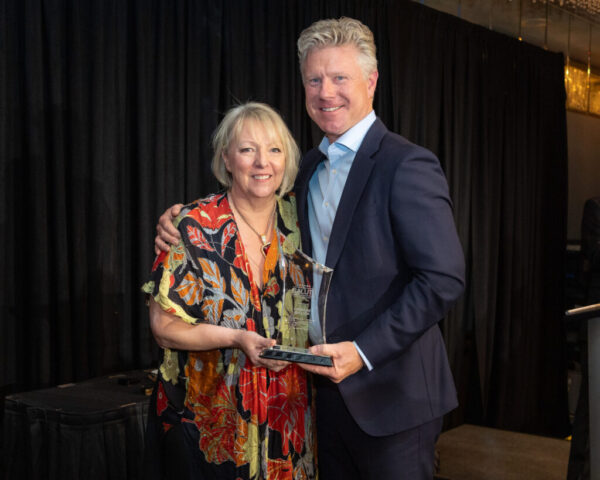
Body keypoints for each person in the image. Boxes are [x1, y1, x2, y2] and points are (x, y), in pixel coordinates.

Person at [155, 17, 465, 480]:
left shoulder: (406, 163)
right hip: (317, 399)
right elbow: (246, 213)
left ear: (371, 82)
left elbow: (442, 279)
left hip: (391, 399)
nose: (326, 92)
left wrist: (361, 351)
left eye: (340, 78)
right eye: (314, 80)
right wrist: (180, 221)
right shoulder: (307, 170)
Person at [143, 102, 316, 480]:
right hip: (207, 427)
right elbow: (163, 327)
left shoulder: (302, 222)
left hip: (286, 422)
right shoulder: (193, 226)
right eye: (247, 149)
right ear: (226, 158)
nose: (262, 162)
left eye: (274, 149)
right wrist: (236, 338)